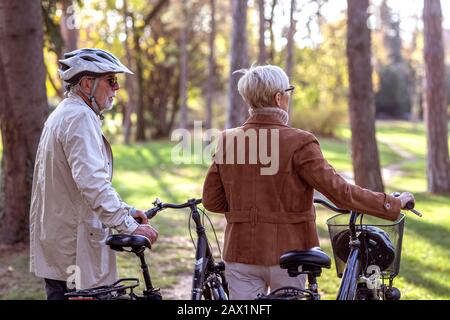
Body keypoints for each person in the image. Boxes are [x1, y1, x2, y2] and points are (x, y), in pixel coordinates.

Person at [202, 64, 415, 300]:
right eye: (289, 91)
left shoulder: (227, 141)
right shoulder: (299, 142)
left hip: (240, 253)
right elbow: (341, 193)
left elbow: (212, 202)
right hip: (289, 254)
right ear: (278, 97)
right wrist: (391, 203)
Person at [29, 48, 158, 300]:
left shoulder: (65, 113)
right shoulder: (79, 118)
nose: (117, 87)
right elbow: (92, 183)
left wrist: (126, 209)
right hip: (73, 248)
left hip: (62, 244)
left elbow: (77, 182)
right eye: (111, 80)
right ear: (88, 83)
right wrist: (129, 224)